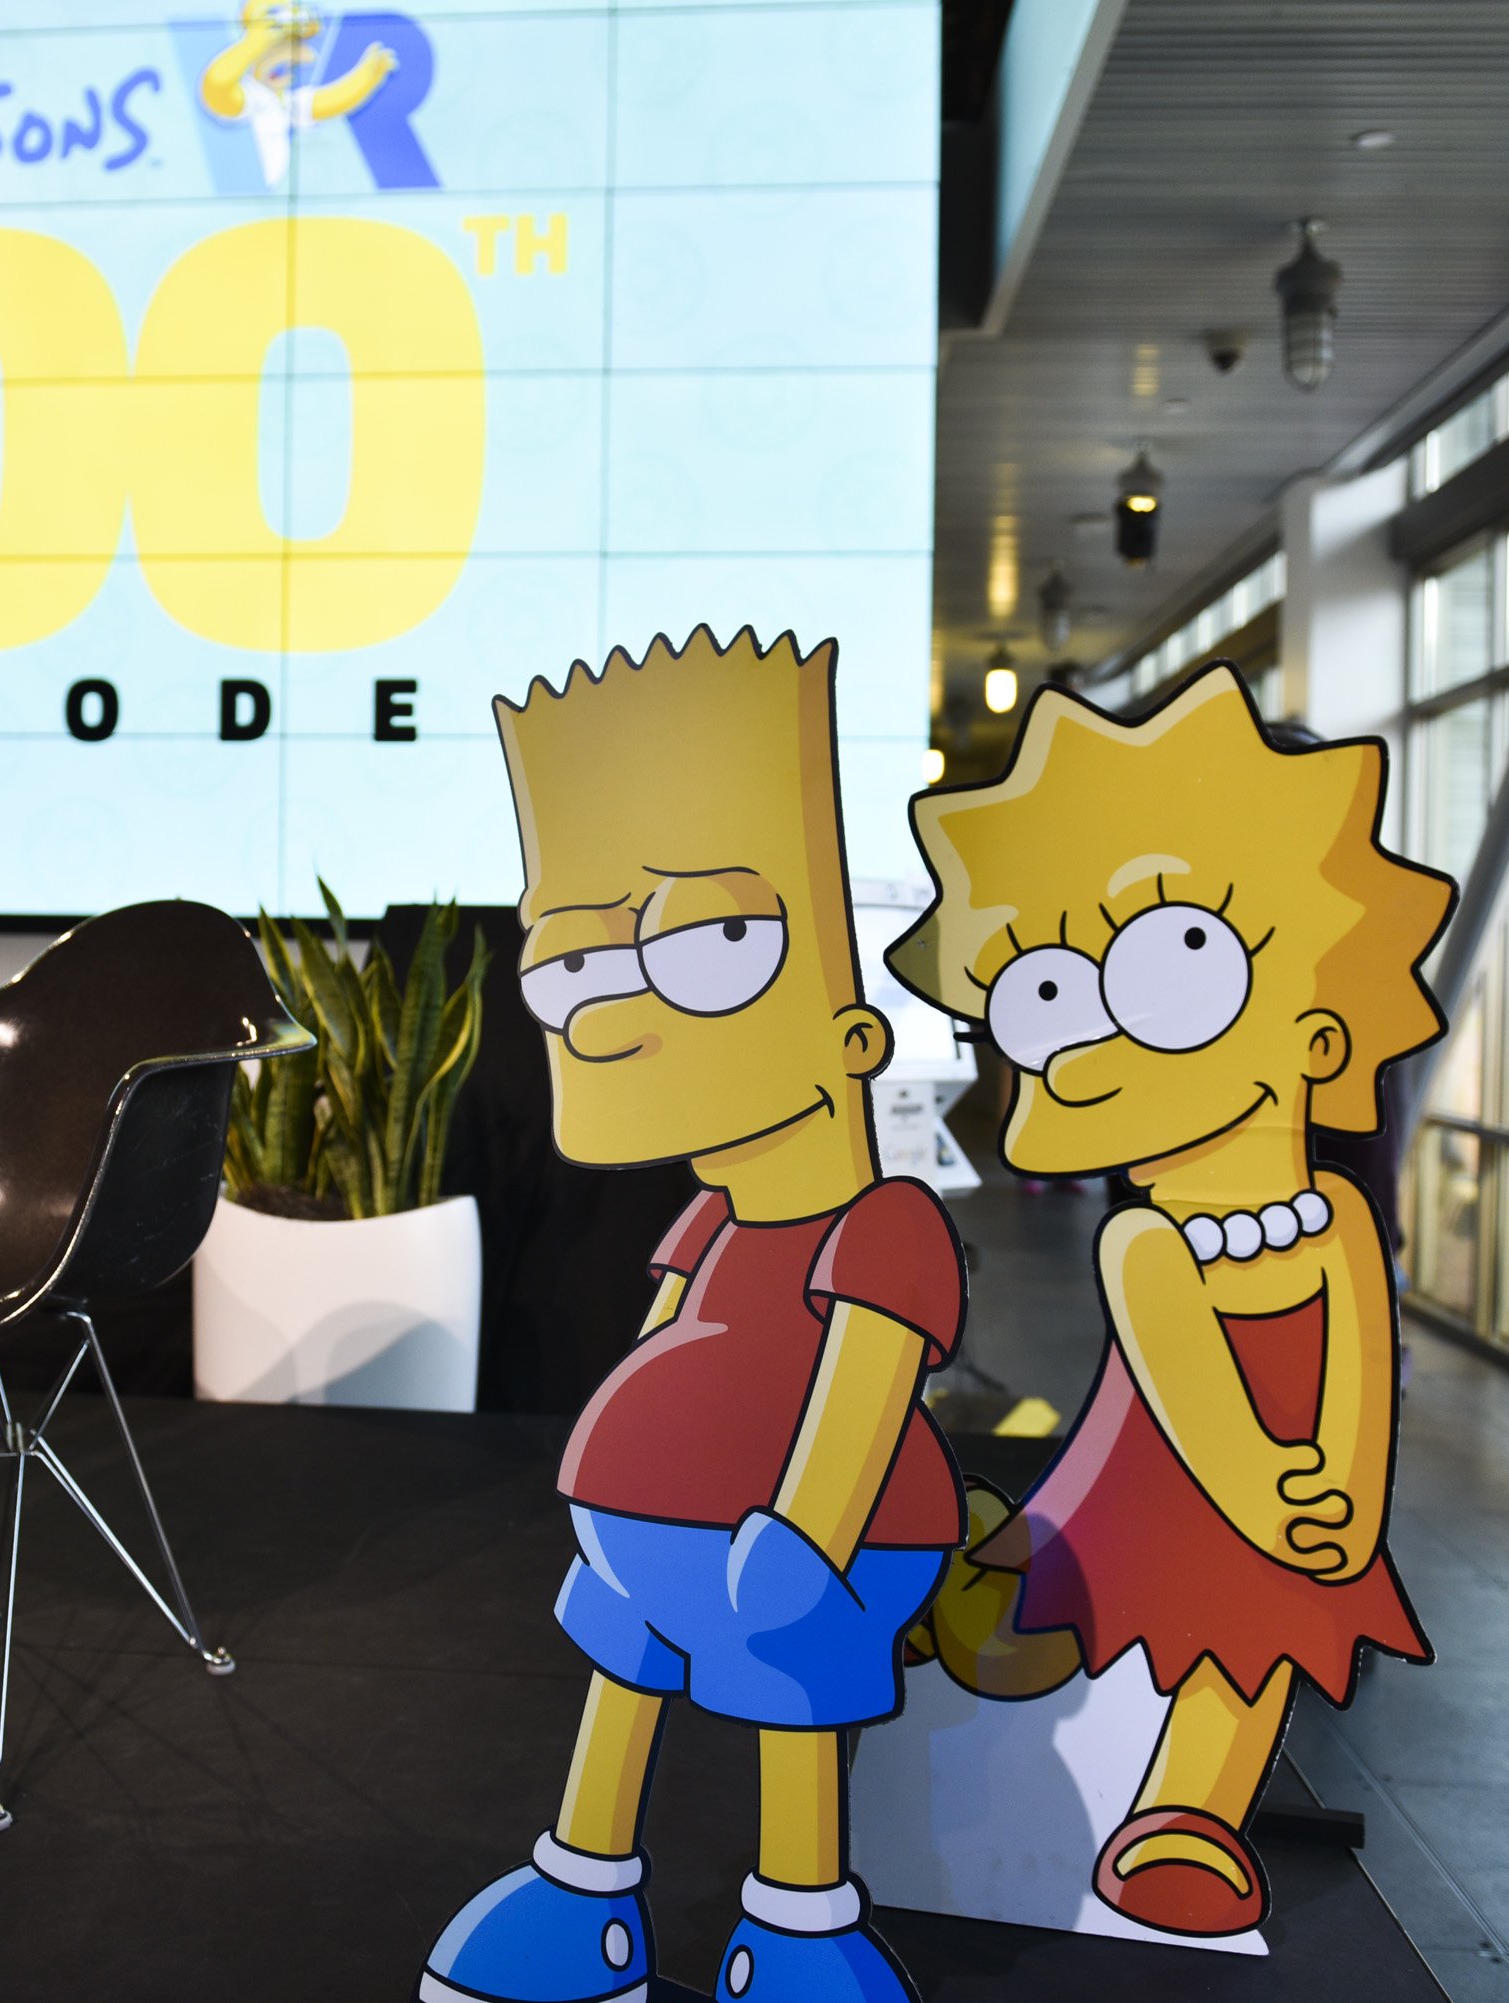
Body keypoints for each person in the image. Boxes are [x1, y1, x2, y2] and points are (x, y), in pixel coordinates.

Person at [420, 627, 965, 2003]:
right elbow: (663, 1333)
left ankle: (798, 1923)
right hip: (644, 1536)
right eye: (574, 971)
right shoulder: (715, 1211)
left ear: (855, 1038)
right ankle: (582, 1886)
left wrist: (806, 1532)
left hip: (805, 1542)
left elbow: (865, 1382)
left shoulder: (879, 1223)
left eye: (714, 945)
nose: (607, 1017)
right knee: (624, 1681)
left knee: (793, 1700)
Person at [892, 664, 1449, 1938]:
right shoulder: (1153, 1231)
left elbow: (1364, 1340)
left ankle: (1187, 1812)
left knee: (1244, 1632)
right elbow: (1189, 1369)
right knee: (1099, 1599)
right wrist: (1269, 1486)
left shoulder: (1330, 1157)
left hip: (1295, 1399)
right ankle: (969, 1603)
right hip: (1194, 1431)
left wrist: (1340, 1490)